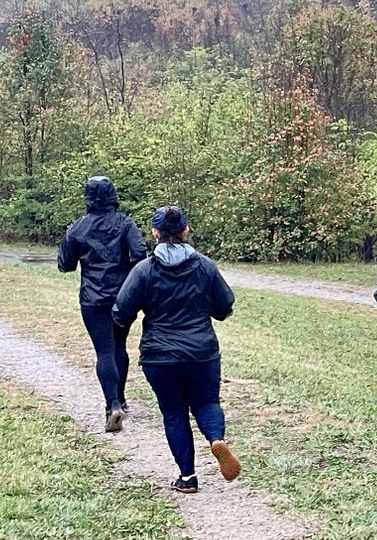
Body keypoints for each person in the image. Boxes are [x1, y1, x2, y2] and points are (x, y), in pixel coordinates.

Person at [112, 205, 241, 494]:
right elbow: (224, 306)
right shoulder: (205, 266)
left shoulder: (143, 270)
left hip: (160, 357)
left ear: (155, 233)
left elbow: (121, 312)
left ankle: (187, 477)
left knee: (173, 413)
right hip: (202, 352)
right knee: (207, 403)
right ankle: (216, 439)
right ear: (185, 231)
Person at [56, 175, 146, 434]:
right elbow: (140, 255)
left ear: (87, 198)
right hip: (123, 296)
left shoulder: (77, 228)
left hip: (93, 298)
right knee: (119, 345)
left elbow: (66, 265)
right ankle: (122, 398)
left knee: (104, 351)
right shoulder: (125, 223)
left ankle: (112, 405)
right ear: (112, 195)